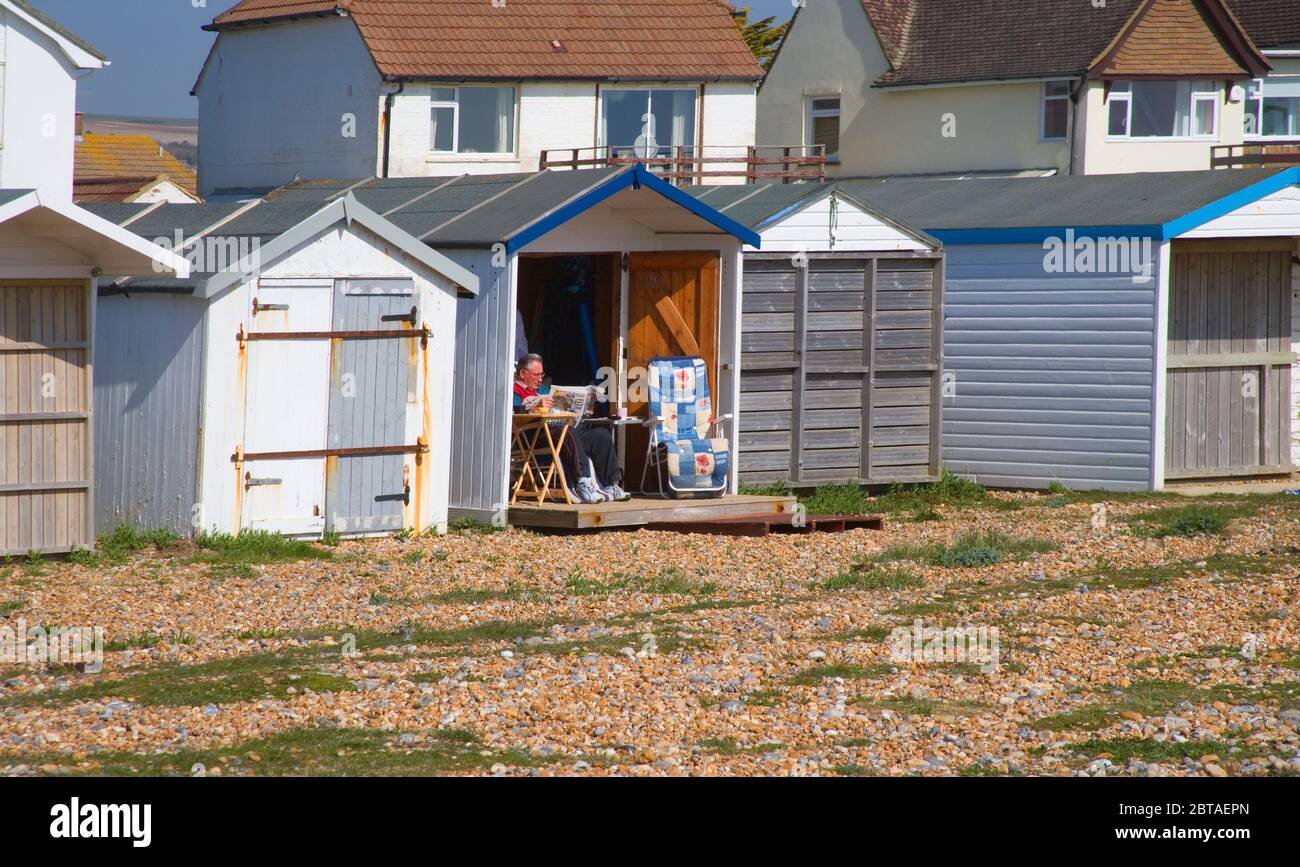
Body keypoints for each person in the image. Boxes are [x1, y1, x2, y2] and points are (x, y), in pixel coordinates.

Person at [513, 353, 630, 503]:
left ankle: (610, 484)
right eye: (536, 375)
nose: (540, 379)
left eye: (542, 374)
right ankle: (583, 482)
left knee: (601, 435)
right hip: (532, 435)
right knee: (568, 433)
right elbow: (512, 414)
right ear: (523, 373)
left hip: (555, 430)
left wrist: (584, 408)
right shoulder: (513, 390)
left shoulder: (543, 389)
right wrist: (534, 408)